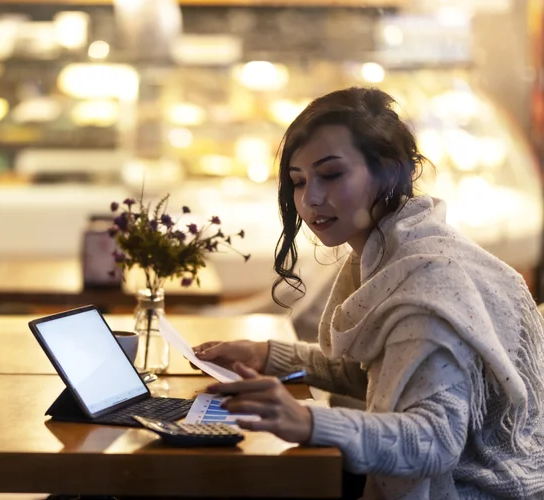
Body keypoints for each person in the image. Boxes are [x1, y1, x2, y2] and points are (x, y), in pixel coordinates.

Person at [194, 87, 544, 500]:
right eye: (298, 181)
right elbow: (386, 373)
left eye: (331, 174)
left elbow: (433, 441)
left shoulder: (425, 283)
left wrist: (307, 422)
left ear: (389, 170)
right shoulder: (390, 251)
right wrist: (269, 356)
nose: (310, 200)